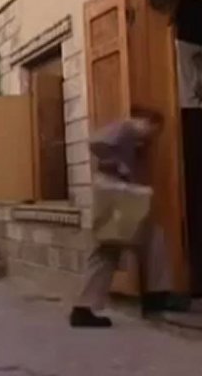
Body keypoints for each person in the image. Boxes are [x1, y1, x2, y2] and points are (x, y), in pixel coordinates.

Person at [70, 107, 188, 328]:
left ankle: (84, 307)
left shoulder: (133, 140)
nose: (153, 135)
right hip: (115, 191)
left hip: (115, 191)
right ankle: (156, 295)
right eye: (154, 129)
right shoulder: (126, 128)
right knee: (141, 239)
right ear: (146, 122)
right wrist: (119, 165)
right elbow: (95, 141)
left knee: (117, 245)